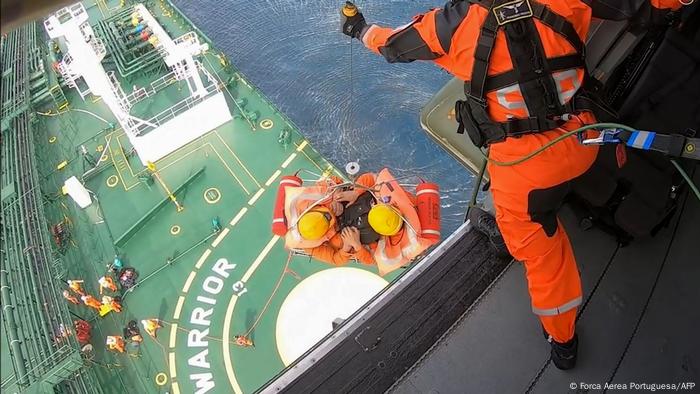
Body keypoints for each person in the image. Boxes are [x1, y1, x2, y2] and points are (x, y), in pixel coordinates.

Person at [340, 0, 683, 369]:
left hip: (528, 171)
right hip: (588, 136)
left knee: (540, 251)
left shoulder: (450, 26)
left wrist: (360, 29)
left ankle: (563, 339)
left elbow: (392, 45)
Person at [297, 173, 378, 266]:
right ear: (326, 233)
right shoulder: (311, 247)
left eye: (326, 212)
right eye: (329, 220)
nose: (333, 213)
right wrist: (350, 246)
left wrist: (335, 197)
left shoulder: (305, 202)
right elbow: (335, 259)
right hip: (353, 238)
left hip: (361, 202)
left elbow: (334, 179)